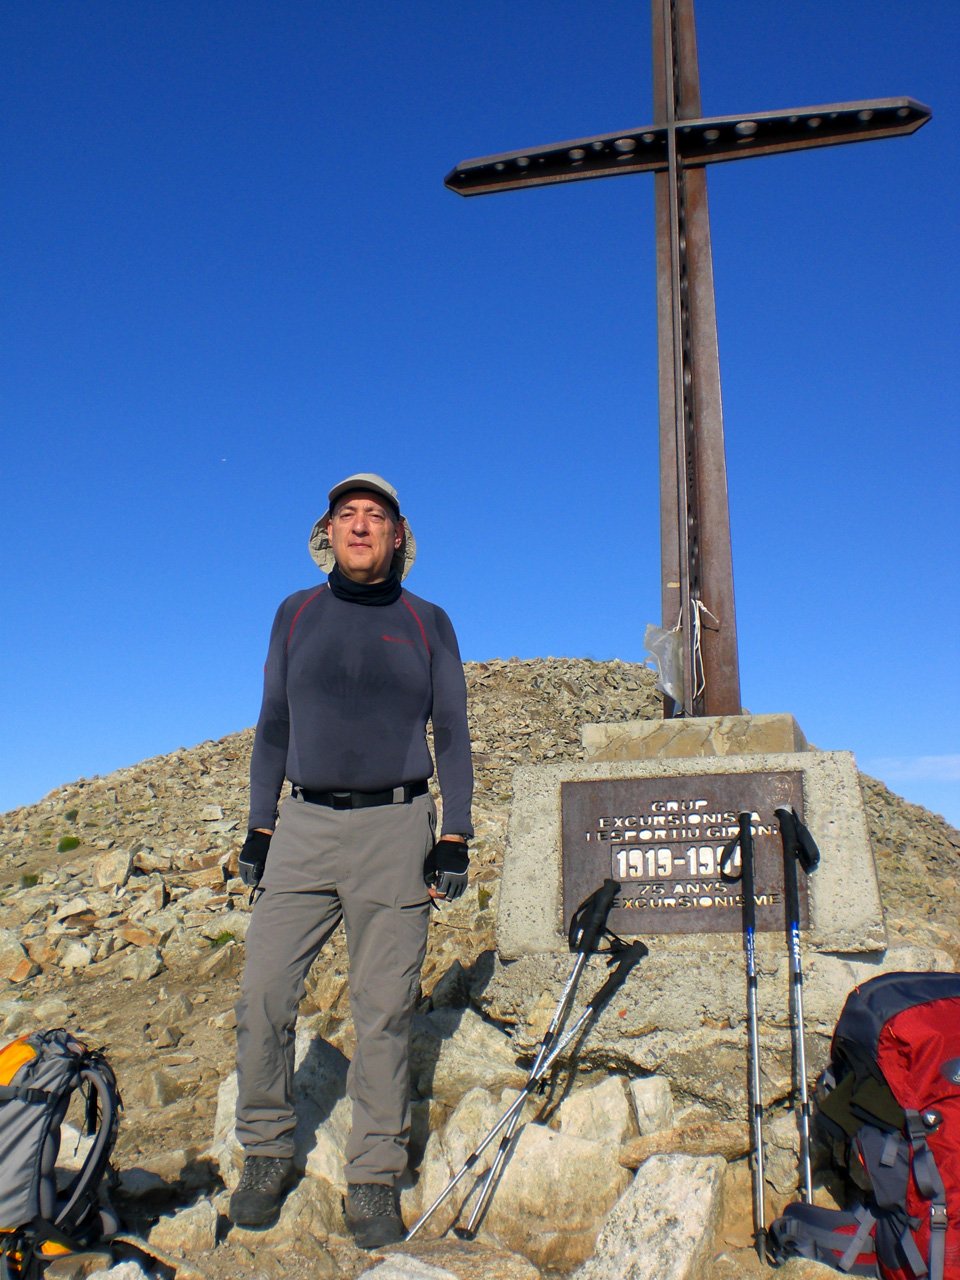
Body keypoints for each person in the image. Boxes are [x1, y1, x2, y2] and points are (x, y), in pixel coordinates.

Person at [228, 473, 473, 1248]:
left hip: (396, 830)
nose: (361, 526)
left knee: (385, 1011)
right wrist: (260, 825)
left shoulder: (428, 620)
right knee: (264, 994)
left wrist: (455, 833)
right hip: (300, 826)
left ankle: (372, 1175)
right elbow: (272, 724)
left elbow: (455, 733)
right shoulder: (294, 614)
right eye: (347, 515)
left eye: (376, 516)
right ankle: (266, 1149)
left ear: (400, 535)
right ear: (326, 533)